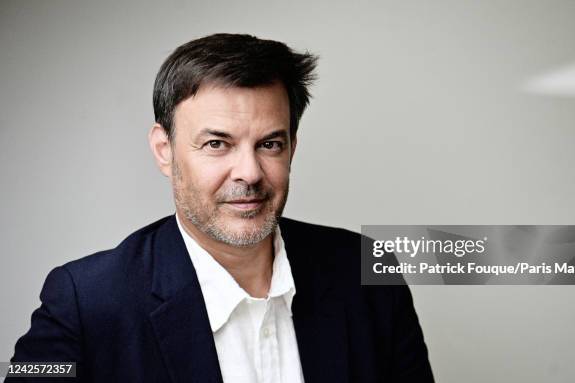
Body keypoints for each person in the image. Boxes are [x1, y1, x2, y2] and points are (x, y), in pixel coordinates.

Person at [7, 33, 434, 382]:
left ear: (292, 148)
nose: (249, 172)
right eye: (217, 144)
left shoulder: (367, 271)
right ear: (164, 150)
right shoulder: (85, 301)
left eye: (269, 144)